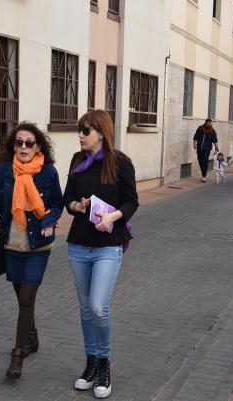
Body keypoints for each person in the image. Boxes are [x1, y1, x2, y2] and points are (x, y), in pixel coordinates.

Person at [0, 122, 63, 379]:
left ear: (38, 146)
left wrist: (49, 221)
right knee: (21, 297)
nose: (23, 147)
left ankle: (17, 355)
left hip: (38, 245)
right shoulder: (5, 171)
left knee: (26, 299)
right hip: (11, 244)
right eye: (18, 142)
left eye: (28, 143)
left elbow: (56, 203)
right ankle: (32, 338)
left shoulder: (48, 172)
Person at [64, 110, 139, 399]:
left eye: (86, 130)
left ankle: (105, 363)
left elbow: (132, 200)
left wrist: (114, 217)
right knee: (85, 308)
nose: (80, 135)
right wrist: (76, 207)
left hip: (108, 244)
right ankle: (91, 362)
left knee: (98, 306)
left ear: (101, 132)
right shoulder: (77, 160)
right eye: (80, 130)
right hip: (79, 243)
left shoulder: (120, 162)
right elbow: (66, 197)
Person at [193, 118, 219, 182]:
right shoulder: (200, 128)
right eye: (208, 123)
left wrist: (216, 149)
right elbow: (195, 137)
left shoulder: (212, 131)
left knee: (204, 162)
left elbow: (215, 140)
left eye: (210, 123)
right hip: (199, 148)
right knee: (200, 161)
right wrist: (194, 144)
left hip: (207, 149)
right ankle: (203, 173)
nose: (209, 124)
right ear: (206, 123)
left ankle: (204, 176)